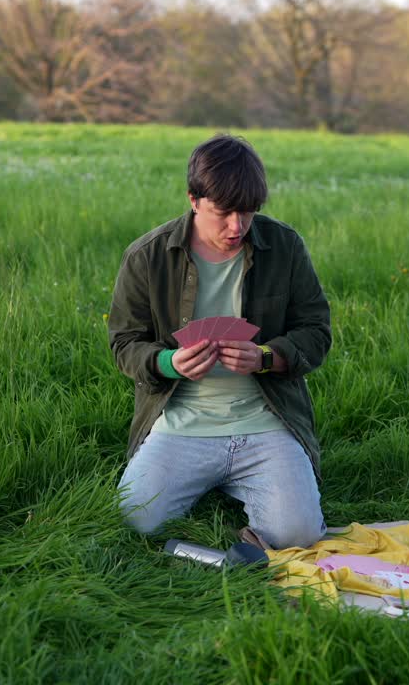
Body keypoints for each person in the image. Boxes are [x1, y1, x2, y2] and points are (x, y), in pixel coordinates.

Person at [108, 133, 331, 550]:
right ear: (193, 199)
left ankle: (245, 489)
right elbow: (124, 343)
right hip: (181, 422)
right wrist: (169, 363)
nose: (237, 227)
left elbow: (316, 331)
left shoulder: (284, 247)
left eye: (248, 213)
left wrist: (268, 357)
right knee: (135, 523)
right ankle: (214, 484)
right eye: (223, 212)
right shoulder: (147, 256)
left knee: (298, 536)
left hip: (266, 422)